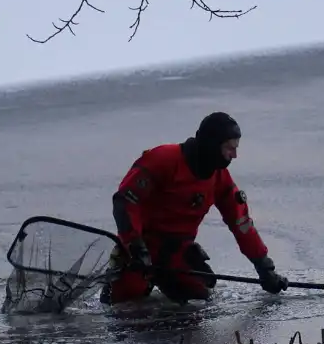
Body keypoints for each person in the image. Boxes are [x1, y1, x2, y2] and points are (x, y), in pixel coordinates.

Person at [99, 111, 290, 306]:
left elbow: (241, 224)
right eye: (229, 148)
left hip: (176, 254)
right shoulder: (163, 159)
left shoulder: (220, 178)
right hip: (139, 252)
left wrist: (265, 269)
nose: (234, 155)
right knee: (123, 308)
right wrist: (134, 245)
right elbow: (125, 202)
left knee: (200, 299)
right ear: (211, 145)